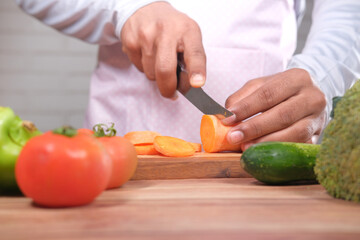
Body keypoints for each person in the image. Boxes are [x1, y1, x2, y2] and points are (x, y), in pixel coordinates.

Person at [15, 0, 360, 150]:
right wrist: (123, 7)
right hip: (119, 147)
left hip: (268, 144)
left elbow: (348, 10)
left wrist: (321, 74)